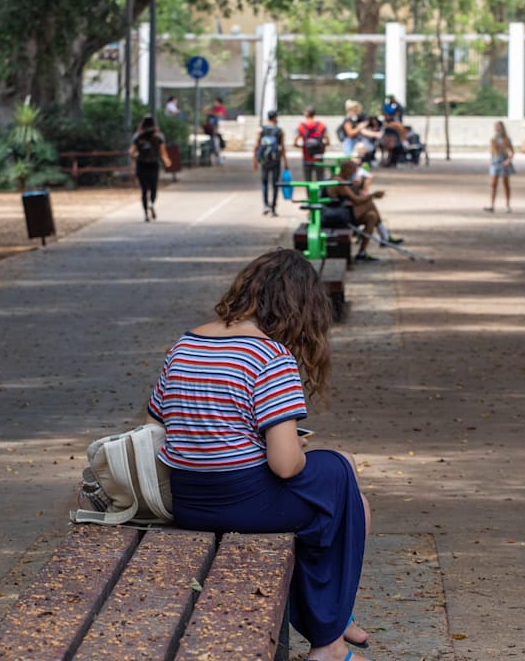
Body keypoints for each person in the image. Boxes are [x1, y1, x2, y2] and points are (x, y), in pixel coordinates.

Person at [148, 249, 375, 661]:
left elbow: (163, 424)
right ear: (299, 307)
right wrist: (293, 447)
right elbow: (285, 466)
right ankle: (327, 641)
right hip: (244, 504)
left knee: (350, 503)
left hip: (189, 502)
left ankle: (336, 625)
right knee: (340, 469)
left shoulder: (185, 344)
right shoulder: (269, 356)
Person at [332, 158, 397, 262]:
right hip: (338, 215)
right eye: (353, 171)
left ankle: (362, 253)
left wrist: (358, 186)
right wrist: (373, 195)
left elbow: (354, 196)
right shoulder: (339, 181)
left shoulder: (344, 180)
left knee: (372, 216)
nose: (354, 173)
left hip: (344, 212)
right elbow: (356, 200)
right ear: (346, 170)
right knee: (369, 203)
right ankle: (384, 235)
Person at [129, 116, 170, 222]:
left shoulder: (137, 137)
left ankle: (146, 214)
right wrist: (167, 161)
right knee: (153, 188)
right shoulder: (159, 137)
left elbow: (131, 152)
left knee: (143, 190)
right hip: (153, 165)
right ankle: (151, 203)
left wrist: (134, 160)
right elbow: (163, 152)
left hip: (141, 165)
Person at [254, 110, 290, 217]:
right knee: (275, 184)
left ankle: (265, 205)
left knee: (264, 183)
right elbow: (282, 147)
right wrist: (285, 162)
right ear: (275, 117)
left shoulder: (261, 130)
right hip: (275, 160)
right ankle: (273, 208)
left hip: (264, 160)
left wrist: (255, 160)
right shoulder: (279, 131)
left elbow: (256, 146)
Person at [485, 121, 515, 213]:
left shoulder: (506, 139)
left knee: (506, 184)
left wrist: (508, 161)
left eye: (498, 127)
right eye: (496, 127)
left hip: (504, 161)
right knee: (493, 184)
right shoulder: (494, 139)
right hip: (495, 162)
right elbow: (492, 151)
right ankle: (492, 205)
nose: (497, 128)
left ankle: (507, 205)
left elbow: (512, 151)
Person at [295, 107, 331, 182]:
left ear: (306, 113)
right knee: (320, 180)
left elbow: (295, 142)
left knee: (308, 181)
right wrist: (324, 145)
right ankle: (320, 193)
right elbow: (327, 140)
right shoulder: (321, 125)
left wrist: (301, 146)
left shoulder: (301, 126)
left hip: (306, 157)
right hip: (319, 157)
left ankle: (309, 194)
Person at [202, 97, 229, 165]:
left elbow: (219, 114)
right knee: (213, 144)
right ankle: (215, 158)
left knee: (217, 144)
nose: (215, 103)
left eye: (216, 102)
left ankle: (218, 159)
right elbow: (206, 112)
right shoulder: (213, 108)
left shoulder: (221, 108)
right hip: (212, 130)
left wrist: (212, 113)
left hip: (217, 130)